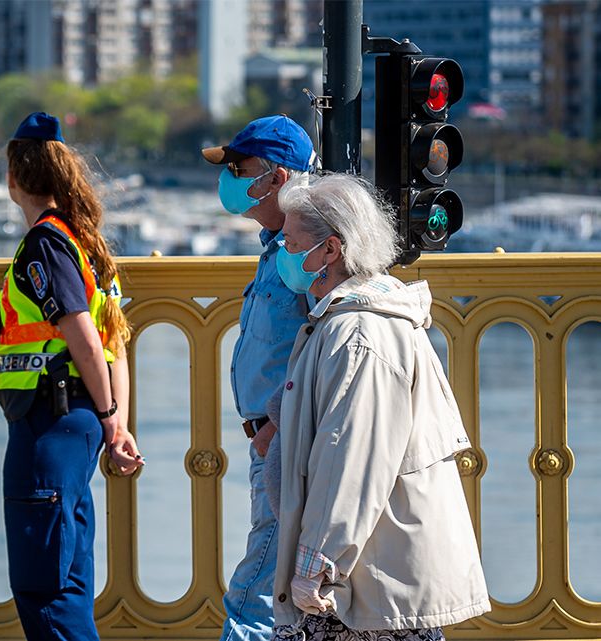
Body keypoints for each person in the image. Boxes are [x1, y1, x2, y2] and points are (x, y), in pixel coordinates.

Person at [271, 173, 490, 640]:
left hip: (363, 589)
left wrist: (316, 566)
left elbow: (350, 463)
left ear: (330, 250)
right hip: (367, 577)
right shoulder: (351, 323)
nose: (280, 254)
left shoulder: (358, 335)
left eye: (288, 242)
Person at [0, 111, 143, 640]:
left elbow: (84, 338)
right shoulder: (87, 245)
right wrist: (115, 424)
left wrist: (108, 416)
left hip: (47, 424)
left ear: (15, 179)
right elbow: (115, 342)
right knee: (70, 577)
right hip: (79, 424)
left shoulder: (45, 245)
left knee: (43, 586)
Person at [200, 114, 316, 641]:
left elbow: (324, 341)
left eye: (241, 169)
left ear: (279, 178)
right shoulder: (277, 244)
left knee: (255, 601)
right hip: (270, 442)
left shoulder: (305, 250)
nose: (229, 180)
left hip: (284, 443)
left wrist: (274, 426)